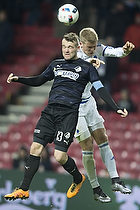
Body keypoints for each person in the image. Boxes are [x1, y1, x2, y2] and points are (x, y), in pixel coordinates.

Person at [4, 32, 128, 201]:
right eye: (64, 46)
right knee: (35, 148)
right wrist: (19, 79)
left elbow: (100, 89)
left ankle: (79, 178)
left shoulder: (87, 67)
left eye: (70, 47)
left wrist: (116, 107)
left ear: (77, 48)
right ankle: (23, 189)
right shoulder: (56, 64)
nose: (66, 50)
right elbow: (40, 80)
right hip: (50, 111)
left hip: (70, 114)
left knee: (60, 156)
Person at [75, 28, 134, 203]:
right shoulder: (74, 57)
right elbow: (82, 63)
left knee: (103, 138)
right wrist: (89, 60)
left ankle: (116, 180)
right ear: (80, 44)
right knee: (87, 146)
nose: (93, 50)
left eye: (94, 47)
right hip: (74, 108)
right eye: (89, 47)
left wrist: (124, 50)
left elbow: (112, 51)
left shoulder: (97, 49)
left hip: (89, 103)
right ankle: (95, 188)